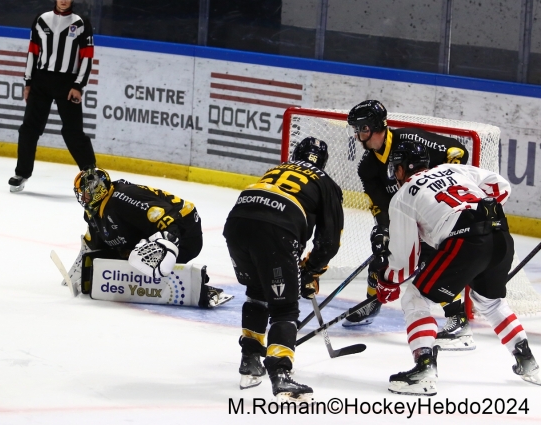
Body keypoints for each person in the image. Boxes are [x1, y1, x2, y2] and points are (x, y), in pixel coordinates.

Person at [376, 140, 540, 395]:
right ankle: (527, 360)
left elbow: (405, 264)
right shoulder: (454, 170)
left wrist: (386, 282)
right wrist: (476, 215)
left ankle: (424, 369)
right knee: (491, 301)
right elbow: (501, 186)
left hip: (467, 242)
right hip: (500, 235)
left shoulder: (402, 196)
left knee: (415, 297)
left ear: (400, 169)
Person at [344, 99, 472, 351]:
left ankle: (457, 317)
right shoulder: (368, 166)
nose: (358, 135)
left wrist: (438, 186)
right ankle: (373, 301)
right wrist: (383, 231)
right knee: (381, 249)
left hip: (434, 213)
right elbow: (379, 204)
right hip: (405, 214)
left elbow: (457, 151)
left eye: (362, 128)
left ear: (374, 126)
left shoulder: (411, 141)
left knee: (432, 262)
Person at [223, 137, 344, 401]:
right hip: (276, 228)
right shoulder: (326, 183)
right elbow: (329, 241)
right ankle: (281, 375)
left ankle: (251, 360)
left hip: (237, 222)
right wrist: (310, 270)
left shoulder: (276, 170)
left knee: (257, 291)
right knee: (284, 308)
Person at [69, 167, 228, 307]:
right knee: (127, 259)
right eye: (81, 194)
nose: (83, 198)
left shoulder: (122, 197)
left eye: (86, 194)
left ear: (98, 189)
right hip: (159, 230)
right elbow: (92, 246)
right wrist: (79, 274)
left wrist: (168, 241)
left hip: (184, 227)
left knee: (142, 261)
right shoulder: (93, 213)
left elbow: (165, 216)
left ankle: (194, 284)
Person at [9, 0, 96, 193]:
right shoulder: (41, 20)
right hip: (41, 80)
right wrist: (28, 82)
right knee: (29, 129)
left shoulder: (81, 23)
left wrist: (79, 85)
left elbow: (87, 57)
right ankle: (22, 173)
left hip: (68, 84)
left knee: (73, 132)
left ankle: (91, 175)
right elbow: (32, 52)